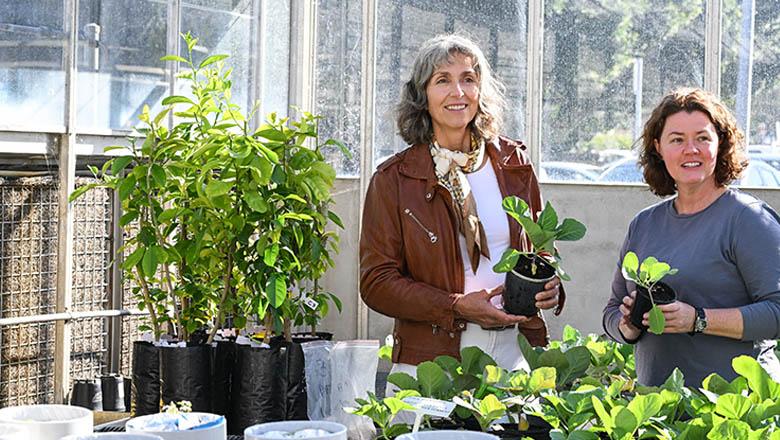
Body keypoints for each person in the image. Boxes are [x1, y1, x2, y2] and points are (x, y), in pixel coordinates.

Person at [359, 34, 563, 385]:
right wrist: (454, 305)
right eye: (443, 80)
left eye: (468, 79)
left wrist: (551, 284)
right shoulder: (394, 179)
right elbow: (376, 283)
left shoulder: (514, 163)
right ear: (422, 96)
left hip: (514, 351)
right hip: (432, 358)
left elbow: (539, 248)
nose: (458, 92)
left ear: (480, 90)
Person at [603, 88, 780, 387]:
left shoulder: (747, 219)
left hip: (732, 410)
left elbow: (777, 311)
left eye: (702, 138)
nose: (691, 149)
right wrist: (628, 325)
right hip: (657, 409)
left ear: (720, 143)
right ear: (658, 147)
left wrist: (698, 319)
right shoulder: (644, 224)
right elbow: (612, 310)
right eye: (677, 140)